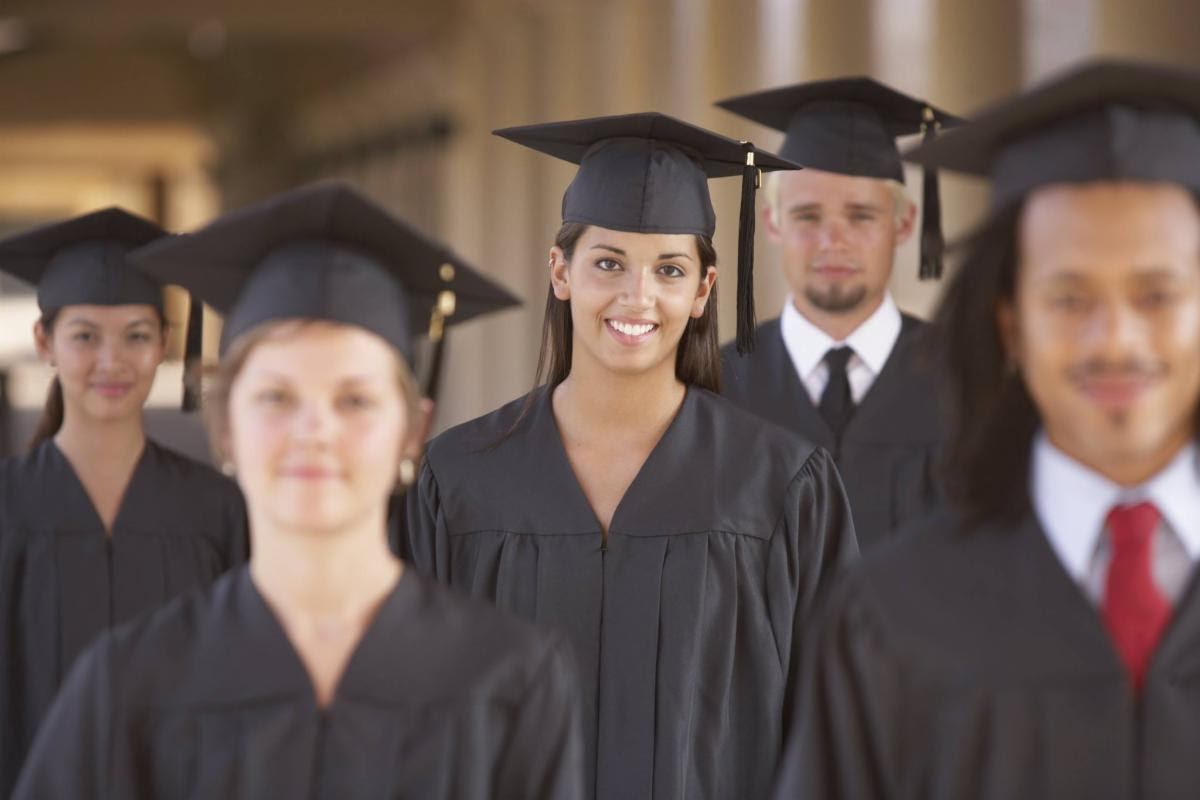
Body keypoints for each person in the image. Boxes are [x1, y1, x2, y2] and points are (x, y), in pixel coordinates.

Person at [15, 181, 585, 800]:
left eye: (355, 399)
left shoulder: (509, 681)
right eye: (277, 397)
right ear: (226, 424)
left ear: (413, 430)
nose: (314, 431)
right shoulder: (129, 683)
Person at [400, 113, 858, 799]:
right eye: (608, 262)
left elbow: (838, 731)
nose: (636, 296)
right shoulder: (461, 481)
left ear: (703, 290)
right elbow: (415, 719)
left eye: (669, 269)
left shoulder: (781, 486)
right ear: (561, 272)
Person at [776, 60, 1200, 799]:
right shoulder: (892, 614)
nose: (1115, 339)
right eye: (1069, 298)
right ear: (1011, 324)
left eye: (1157, 294)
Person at [0, 207, 248, 797]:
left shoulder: (218, 509)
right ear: (45, 342)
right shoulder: (6, 506)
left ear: (164, 343)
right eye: (85, 336)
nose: (111, 362)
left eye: (136, 335)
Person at [718, 78, 958, 549]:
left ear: (903, 224)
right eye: (808, 216)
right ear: (772, 222)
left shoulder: (965, 376)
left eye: (861, 216)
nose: (833, 241)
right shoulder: (719, 385)